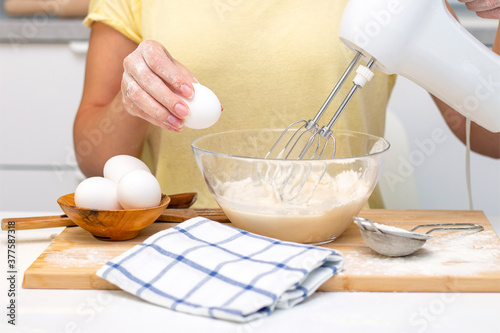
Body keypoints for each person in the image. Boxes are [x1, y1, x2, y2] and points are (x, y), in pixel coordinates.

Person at [74, 0, 500, 208]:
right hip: (185, 243)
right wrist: (132, 100)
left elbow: (489, 134)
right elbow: (95, 159)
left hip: (343, 247)